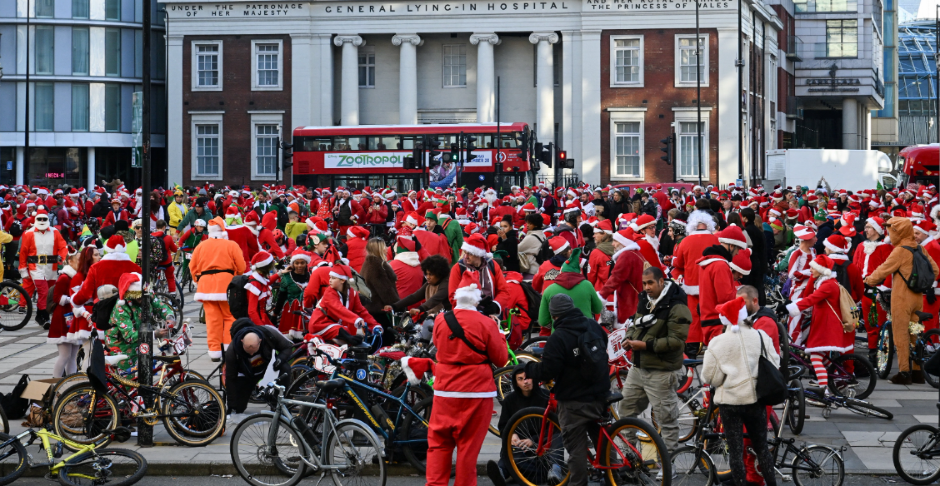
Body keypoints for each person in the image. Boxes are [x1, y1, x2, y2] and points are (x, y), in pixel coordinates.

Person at [425, 269, 508, 486]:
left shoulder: (441, 320)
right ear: (477, 299)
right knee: (468, 449)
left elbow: (438, 346)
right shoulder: (486, 323)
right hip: (477, 391)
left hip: (445, 390)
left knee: (439, 445)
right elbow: (501, 360)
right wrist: (499, 334)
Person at [523, 294, 609, 486]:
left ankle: (578, 483)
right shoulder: (592, 325)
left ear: (554, 315)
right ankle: (615, 476)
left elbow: (548, 371)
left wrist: (528, 369)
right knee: (602, 438)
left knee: (576, 447)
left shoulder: (558, 337)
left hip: (574, 399)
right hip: (602, 392)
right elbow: (604, 343)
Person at [702, 297, 779, 486]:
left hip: (730, 403)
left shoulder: (718, 342)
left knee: (735, 452)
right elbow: (774, 363)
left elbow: (710, 377)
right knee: (761, 448)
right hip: (756, 400)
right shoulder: (761, 336)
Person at [619, 266, 690, 453]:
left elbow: (677, 341)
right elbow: (635, 324)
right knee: (625, 412)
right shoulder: (645, 299)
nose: (646, 287)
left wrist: (645, 345)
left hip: (662, 372)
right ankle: (630, 458)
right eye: (644, 283)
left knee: (666, 421)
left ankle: (668, 464)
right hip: (638, 368)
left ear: (661, 281)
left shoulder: (677, 306)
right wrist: (629, 338)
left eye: (650, 283)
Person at [865, 217, 940, 384]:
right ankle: (918, 372)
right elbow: (934, 270)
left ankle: (904, 373)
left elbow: (883, 270)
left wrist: (868, 280)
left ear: (898, 232)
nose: (889, 234)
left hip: (901, 297)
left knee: (901, 335)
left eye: (891, 231)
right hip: (917, 296)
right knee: (915, 332)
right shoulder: (920, 248)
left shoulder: (900, 250)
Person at [786, 255, 852, 392]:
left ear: (821, 269)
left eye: (813, 268)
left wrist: (791, 307)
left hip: (827, 327)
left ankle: (823, 391)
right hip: (824, 325)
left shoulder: (827, 285)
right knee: (822, 357)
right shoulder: (826, 282)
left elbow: (811, 299)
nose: (810, 270)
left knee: (816, 358)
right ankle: (839, 380)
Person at [190, 217, 247, 360]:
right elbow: (241, 266)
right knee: (229, 317)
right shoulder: (231, 245)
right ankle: (229, 348)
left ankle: (214, 351)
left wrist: (197, 280)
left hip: (206, 286)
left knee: (212, 320)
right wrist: (235, 276)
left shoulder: (201, 246)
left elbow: (193, 266)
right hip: (226, 284)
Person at [486, 365, 551, 486]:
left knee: (520, 461)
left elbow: (555, 428)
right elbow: (503, 426)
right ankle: (501, 472)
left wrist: (533, 441)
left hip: (540, 445)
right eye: (520, 379)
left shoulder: (546, 397)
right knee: (509, 453)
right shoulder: (509, 400)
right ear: (515, 383)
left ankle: (507, 472)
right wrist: (512, 435)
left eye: (528, 377)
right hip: (518, 446)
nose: (525, 382)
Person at [224, 318, 294, 420]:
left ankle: (277, 404)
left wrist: (280, 360)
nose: (252, 354)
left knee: (284, 368)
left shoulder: (269, 334)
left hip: (268, 368)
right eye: (248, 352)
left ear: (260, 341)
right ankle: (238, 404)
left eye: (254, 351)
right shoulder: (232, 350)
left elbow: (287, 347)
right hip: (247, 375)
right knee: (238, 407)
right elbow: (230, 378)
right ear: (242, 342)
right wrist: (231, 406)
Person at [670, 210, 719, 354]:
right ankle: (711, 341)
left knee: (692, 315)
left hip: (691, 283)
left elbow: (679, 263)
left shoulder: (686, 241)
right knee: (710, 313)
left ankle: (692, 345)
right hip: (710, 284)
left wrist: (672, 260)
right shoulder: (715, 240)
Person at [105, 273, 173, 373]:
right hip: (121, 344)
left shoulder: (147, 294)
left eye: (142, 296)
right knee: (129, 375)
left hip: (140, 338)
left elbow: (160, 306)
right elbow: (129, 336)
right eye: (137, 297)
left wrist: (169, 317)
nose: (140, 299)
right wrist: (154, 334)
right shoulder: (121, 307)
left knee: (147, 367)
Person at [307, 263, 382, 344]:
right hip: (320, 324)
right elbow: (338, 308)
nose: (330, 280)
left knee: (349, 335)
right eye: (330, 277)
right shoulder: (329, 292)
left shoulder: (352, 293)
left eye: (333, 278)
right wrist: (356, 319)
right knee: (344, 332)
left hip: (335, 325)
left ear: (343, 280)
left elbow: (361, 311)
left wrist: (374, 325)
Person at [698, 225, 747, 346]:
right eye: (738, 249)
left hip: (708, 319)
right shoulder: (720, 265)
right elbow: (726, 298)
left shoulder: (708, 262)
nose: (737, 253)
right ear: (731, 246)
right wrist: (742, 297)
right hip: (718, 323)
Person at [19, 208, 69, 328]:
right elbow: (23, 252)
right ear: (36, 219)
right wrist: (23, 268)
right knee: (44, 292)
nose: (42, 221)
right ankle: (44, 317)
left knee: (50, 292)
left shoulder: (55, 232)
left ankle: (40, 315)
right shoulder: (28, 233)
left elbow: (63, 247)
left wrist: (65, 259)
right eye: (39, 219)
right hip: (35, 267)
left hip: (51, 267)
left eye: (44, 219)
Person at [853, 217, 893, 361]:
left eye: (869, 227)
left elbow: (890, 271)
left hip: (879, 292)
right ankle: (872, 351)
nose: (865, 230)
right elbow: (855, 267)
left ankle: (882, 353)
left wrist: (884, 289)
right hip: (863, 291)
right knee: (869, 325)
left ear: (876, 230)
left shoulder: (886, 248)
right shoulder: (860, 246)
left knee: (880, 324)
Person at [538, 248, 605, 334]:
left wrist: (556, 325)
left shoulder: (549, 289)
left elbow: (543, 321)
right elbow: (598, 309)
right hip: (585, 334)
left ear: (561, 271)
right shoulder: (587, 285)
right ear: (578, 271)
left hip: (559, 335)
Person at [448, 233, 511, 316]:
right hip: (465, 315)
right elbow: (453, 296)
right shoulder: (458, 268)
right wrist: (475, 305)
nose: (466, 256)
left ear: (479, 254)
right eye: (465, 253)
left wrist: (495, 304)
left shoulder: (492, 265)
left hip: (489, 314)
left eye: (470, 254)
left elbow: (504, 290)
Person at [600, 229, 646, 328]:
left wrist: (602, 295)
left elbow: (616, 278)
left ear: (623, 243)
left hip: (630, 302)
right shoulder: (635, 254)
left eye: (615, 241)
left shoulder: (626, 255)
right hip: (638, 299)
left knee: (629, 331)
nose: (612, 244)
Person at [49, 251, 80, 378]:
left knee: (73, 356)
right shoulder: (64, 277)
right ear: (70, 261)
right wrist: (73, 299)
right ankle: (55, 382)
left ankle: (71, 383)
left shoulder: (78, 277)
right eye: (78, 260)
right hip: (63, 318)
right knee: (65, 355)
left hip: (74, 317)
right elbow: (57, 298)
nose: (81, 263)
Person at [359, 237, 399, 332]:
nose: (386, 248)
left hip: (371, 308)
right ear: (379, 249)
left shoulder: (368, 263)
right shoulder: (377, 266)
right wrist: (397, 305)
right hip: (380, 310)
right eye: (384, 246)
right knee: (387, 337)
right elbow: (385, 290)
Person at [275, 249, 310, 339]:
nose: (299, 265)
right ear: (293, 264)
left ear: (306, 263)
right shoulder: (287, 277)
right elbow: (281, 297)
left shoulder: (311, 276)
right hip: (290, 312)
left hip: (306, 312)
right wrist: (275, 314)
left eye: (302, 263)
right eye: (297, 263)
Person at [587, 220, 616, 290]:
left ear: (604, 234)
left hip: (601, 291)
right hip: (617, 291)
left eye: (596, 233)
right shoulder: (619, 248)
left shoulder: (596, 253)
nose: (593, 236)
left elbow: (591, 275)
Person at [517, 213, 547, 279]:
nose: (527, 225)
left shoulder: (531, 237)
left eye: (530, 223)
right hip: (538, 267)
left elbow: (517, 249)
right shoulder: (542, 234)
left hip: (531, 269)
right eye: (527, 223)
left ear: (536, 224)